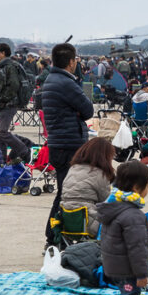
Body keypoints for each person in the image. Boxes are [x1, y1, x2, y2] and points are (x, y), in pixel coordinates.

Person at [98, 161, 148, 295]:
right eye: (147, 187)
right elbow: (137, 248)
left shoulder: (113, 206)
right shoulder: (133, 215)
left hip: (113, 266)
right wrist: (142, 273)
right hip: (128, 269)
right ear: (137, 188)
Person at [42, 43, 96, 242]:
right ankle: (53, 235)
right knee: (67, 193)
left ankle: (56, 234)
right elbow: (88, 110)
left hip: (59, 142)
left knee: (65, 192)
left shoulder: (51, 79)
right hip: (69, 144)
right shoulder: (66, 83)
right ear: (71, 62)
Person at [59, 136, 116, 238]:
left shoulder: (73, 169)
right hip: (88, 223)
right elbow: (107, 201)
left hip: (67, 221)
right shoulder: (99, 173)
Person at [0, 44, 29, 163]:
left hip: (8, 104)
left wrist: (2, 99)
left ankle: (25, 151)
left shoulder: (10, 66)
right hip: (0, 104)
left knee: (2, 132)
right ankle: (1, 161)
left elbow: (14, 86)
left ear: (3, 53)